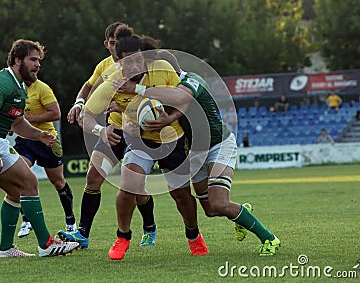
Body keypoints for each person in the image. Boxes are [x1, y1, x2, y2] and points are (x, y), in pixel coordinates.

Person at [114, 50, 281, 256]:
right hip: (195, 151)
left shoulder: (192, 81)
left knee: (219, 203)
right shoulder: (162, 91)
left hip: (219, 145)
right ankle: (241, 213)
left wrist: (138, 88)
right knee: (211, 210)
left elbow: (179, 97)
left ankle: (269, 239)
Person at [79, 30, 208, 260]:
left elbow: (183, 98)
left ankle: (193, 235)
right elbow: (87, 115)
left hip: (172, 138)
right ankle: (123, 236)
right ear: (119, 60)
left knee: (181, 195)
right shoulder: (113, 81)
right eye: (131, 59)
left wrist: (169, 118)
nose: (138, 63)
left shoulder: (162, 69)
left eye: (140, 57)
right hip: (138, 141)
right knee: (129, 185)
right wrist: (102, 130)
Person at [0, 39, 79, 258]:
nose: (37, 65)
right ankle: (46, 244)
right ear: (17, 60)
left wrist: (38, 134)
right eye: (33, 60)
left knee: (15, 192)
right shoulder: (3, 82)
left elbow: (17, 122)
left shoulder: (20, 86)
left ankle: (5, 249)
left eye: (39, 61)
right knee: (30, 182)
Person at [58, 23, 157, 249]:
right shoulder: (105, 66)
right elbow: (88, 86)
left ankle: (149, 226)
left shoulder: (149, 67)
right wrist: (80, 103)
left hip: (139, 136)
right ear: (108, 44)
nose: (115, 47)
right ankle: (83, 234)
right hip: (113, 131)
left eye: (118, 43)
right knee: (93, 176)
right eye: (112, 43)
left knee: (136, 189)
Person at [13, 78, 76, 238]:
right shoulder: (14, 88)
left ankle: (71, 221)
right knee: (19, 176)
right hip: (24, 140)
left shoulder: (42, 88)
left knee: (58, 182)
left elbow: (56, 114)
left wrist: (28, 119)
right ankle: (26, 220)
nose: (35, 67)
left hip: (47, 140)